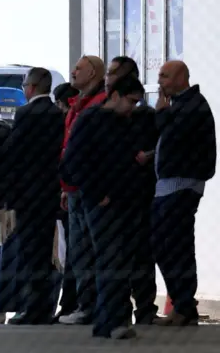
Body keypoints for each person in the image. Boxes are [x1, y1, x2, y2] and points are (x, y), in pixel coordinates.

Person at [62, 75, 147, 339]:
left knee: (119, 260)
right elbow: (72, 163)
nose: (133, 107)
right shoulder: (90, 120)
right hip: (102, 203)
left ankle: (110, 320)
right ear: (116, 95)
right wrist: (97, 193)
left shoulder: (125, 122)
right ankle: (111, 320)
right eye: (131, 101)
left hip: (124, 200)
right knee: (111, 259)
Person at [0, 68, 65, 325]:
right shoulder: (57, 114)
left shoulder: (25, 113)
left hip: (28, 194)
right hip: (50, 192)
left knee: (29, 252)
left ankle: (32, 309)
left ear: (32, 87)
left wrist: (9, 195)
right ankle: (45, 306)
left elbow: (15, 154)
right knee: (46, 252)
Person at [151, 60, 216, 326]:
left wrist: (160, 113)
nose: (160, 81)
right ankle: (181, 302)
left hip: (182, 186)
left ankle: (184, 305)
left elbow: (177, 137)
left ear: (182, 77)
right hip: (168, 186)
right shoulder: (180, 104)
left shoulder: (193, 105)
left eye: (165, 76)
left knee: (176, 246)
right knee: (162, 244)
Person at [104, 56, 159, 324]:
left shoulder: (145, 116)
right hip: (114, 193)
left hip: (139, 192)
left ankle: (146, 309)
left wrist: (146, 155)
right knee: (117, 254)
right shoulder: (104, 115)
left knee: (141, 253)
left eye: (113, 72)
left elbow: (157, 147)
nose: (108, 76)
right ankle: (119, 310)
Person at [58, 55, 107, 326]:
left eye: (79, 68)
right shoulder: (77, 105)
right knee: (79, 252)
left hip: (90, 189)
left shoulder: (98, 105)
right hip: (74, 189)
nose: (73, 72)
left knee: (92, 249)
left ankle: (94, 307)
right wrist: (65, 188)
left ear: (94, 73)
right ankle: (86, 305)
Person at [50, 82, 79, 322]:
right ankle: (70, 303)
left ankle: (70, 303)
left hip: (69, 195)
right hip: (69, 193)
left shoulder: (67, 125)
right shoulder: (70, 123)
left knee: (70, 253)